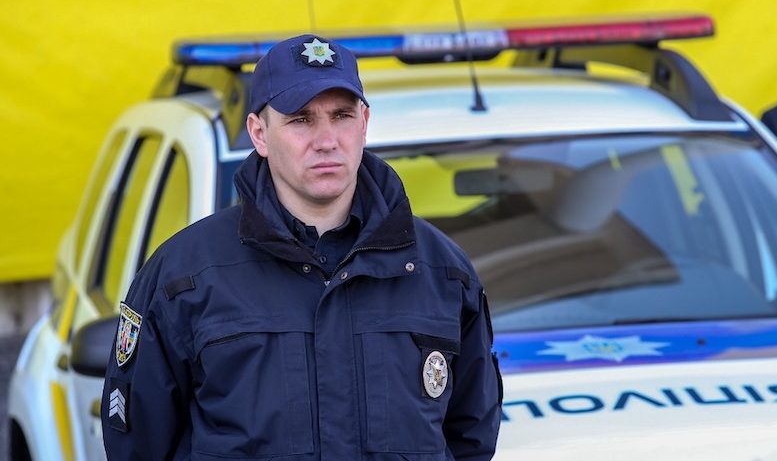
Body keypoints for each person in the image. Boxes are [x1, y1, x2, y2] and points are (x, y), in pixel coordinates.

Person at [102, 34, 502, 461]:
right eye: (301, 119)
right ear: (259, 133)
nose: (327, 140)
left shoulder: (442, 273)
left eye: (341, 115)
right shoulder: (185, 277)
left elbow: (471, 440)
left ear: (364, 123)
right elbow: (139, 446)